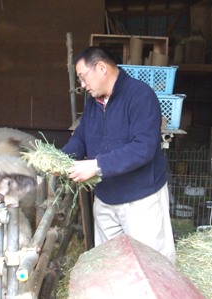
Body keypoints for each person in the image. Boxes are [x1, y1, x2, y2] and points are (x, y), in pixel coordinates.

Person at [61, 46, 176, 265]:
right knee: (109, 265)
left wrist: (96, 166)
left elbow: (144, 148)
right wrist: (62, 159)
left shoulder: (140, 96)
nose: (82, 85)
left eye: (83, 77)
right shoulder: (93, 104)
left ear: (101, 67)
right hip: (106, 198)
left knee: (152, 265)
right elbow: (81, 138)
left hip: (141, 200)